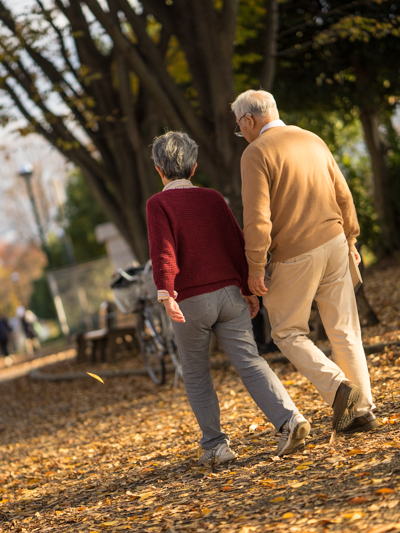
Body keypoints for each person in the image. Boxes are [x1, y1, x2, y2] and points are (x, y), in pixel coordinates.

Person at [147, 131, 311, 469]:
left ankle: (216, 446)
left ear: (159, 170)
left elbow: (163, 251)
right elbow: (236, 242)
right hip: (230, 295)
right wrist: (248, 289)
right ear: (193, 167)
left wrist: (166, 294)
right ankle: (290, 420)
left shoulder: (158, 204)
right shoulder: (213, 198)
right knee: (250, 361)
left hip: (190, 301)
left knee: (195, 373)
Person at [233, 89, 379, 435]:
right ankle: (363, 411)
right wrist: (352, 238)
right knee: (344, 329)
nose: (241, 134)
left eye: (240, 128)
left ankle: (339, 388)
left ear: (249, 120)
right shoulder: (312, 139)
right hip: (334, 241)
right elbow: (343, 192)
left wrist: (255, 266)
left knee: (286, 331)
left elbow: (257, 219)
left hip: (295, 252)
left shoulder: (256, 153)